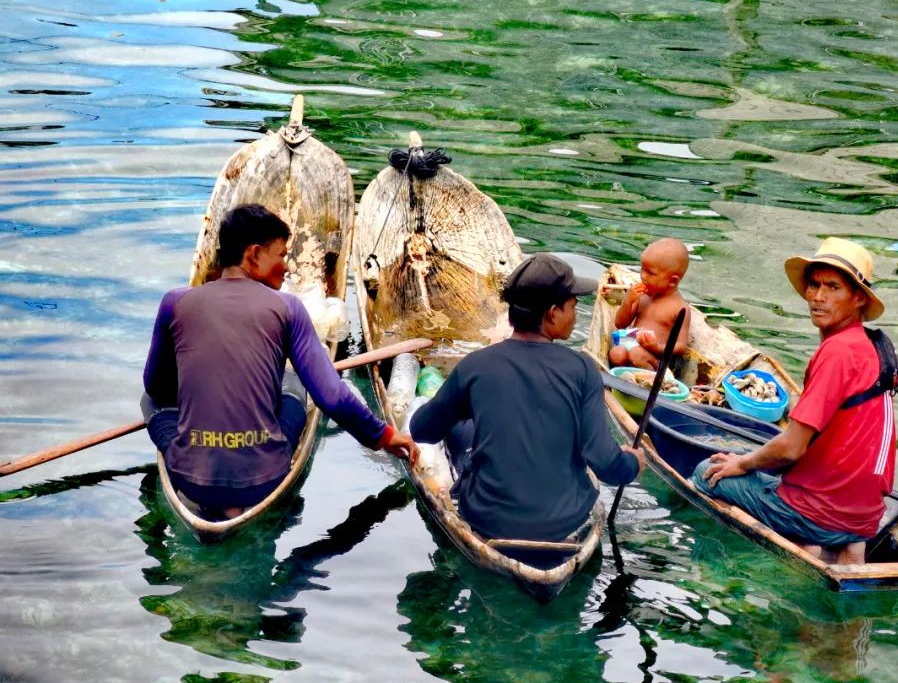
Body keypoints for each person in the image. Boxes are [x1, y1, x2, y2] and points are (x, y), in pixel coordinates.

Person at [142, 204, 418, 518]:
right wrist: (384, 435)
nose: (286, 267)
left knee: (149, 401)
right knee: (294, 384)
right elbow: (332, 397)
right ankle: (241, 494)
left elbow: (156, 387)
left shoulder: (175, 303)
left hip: (191, 480)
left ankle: (198, 468)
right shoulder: (287, 308)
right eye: (282, 256)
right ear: (254, 254)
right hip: (264, 478)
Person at [410, 253, 646, 541]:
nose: (575, 314)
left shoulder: (475, 365)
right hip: (565, 521)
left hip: (487, 519)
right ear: (552, 313)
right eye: (572, 306)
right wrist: (633, 463)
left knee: (462, 430)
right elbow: (608, 466)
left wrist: (468, 407)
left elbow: (421, 429)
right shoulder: (582, 369)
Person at [692, 237, 896, 565]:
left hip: (823, 514)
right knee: (765, 469)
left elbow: (791, 448)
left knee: (706, 472)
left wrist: (741, 463)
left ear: (859, 297)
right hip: (865, 517)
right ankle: (838, 547)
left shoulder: (837, 351)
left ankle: (716, 567)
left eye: (833, 287)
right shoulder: (871, 346)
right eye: (814, 285)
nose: (817, 297)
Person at [608, 237, 691, 370]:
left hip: (655, 359)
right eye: (642, 269)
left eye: (650, 273)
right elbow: (619, 323)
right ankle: (622, 379)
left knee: (636, 355)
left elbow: (681, 346)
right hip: (632, 346)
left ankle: (650, 380)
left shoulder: (680, 308)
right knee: (616, 353)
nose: (643, 276)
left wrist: (657, 347)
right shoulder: (643, 297)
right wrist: (628, 301)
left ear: (672, 282)